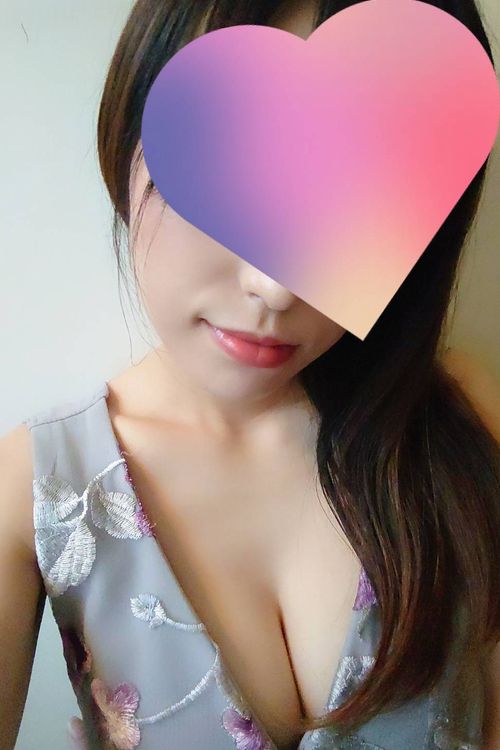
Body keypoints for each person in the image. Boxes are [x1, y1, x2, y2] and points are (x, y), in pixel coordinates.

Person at [2, 1, 500, 749]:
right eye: (232, 172)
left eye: (349, 198)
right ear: (128, 139)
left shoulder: (466, 426)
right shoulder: (37, 489)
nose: (275, 287)